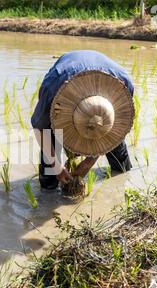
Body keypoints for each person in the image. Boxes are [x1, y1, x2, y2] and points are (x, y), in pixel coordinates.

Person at [31, 50, 135, 190]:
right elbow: (40, 129)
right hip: (64, 81)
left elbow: (118, 126)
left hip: (108, 106)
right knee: (48, 177)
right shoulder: (53, 90)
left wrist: (89, 162)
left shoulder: (123, 85)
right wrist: (56, 165)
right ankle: (48, 191)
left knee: (122, 169)